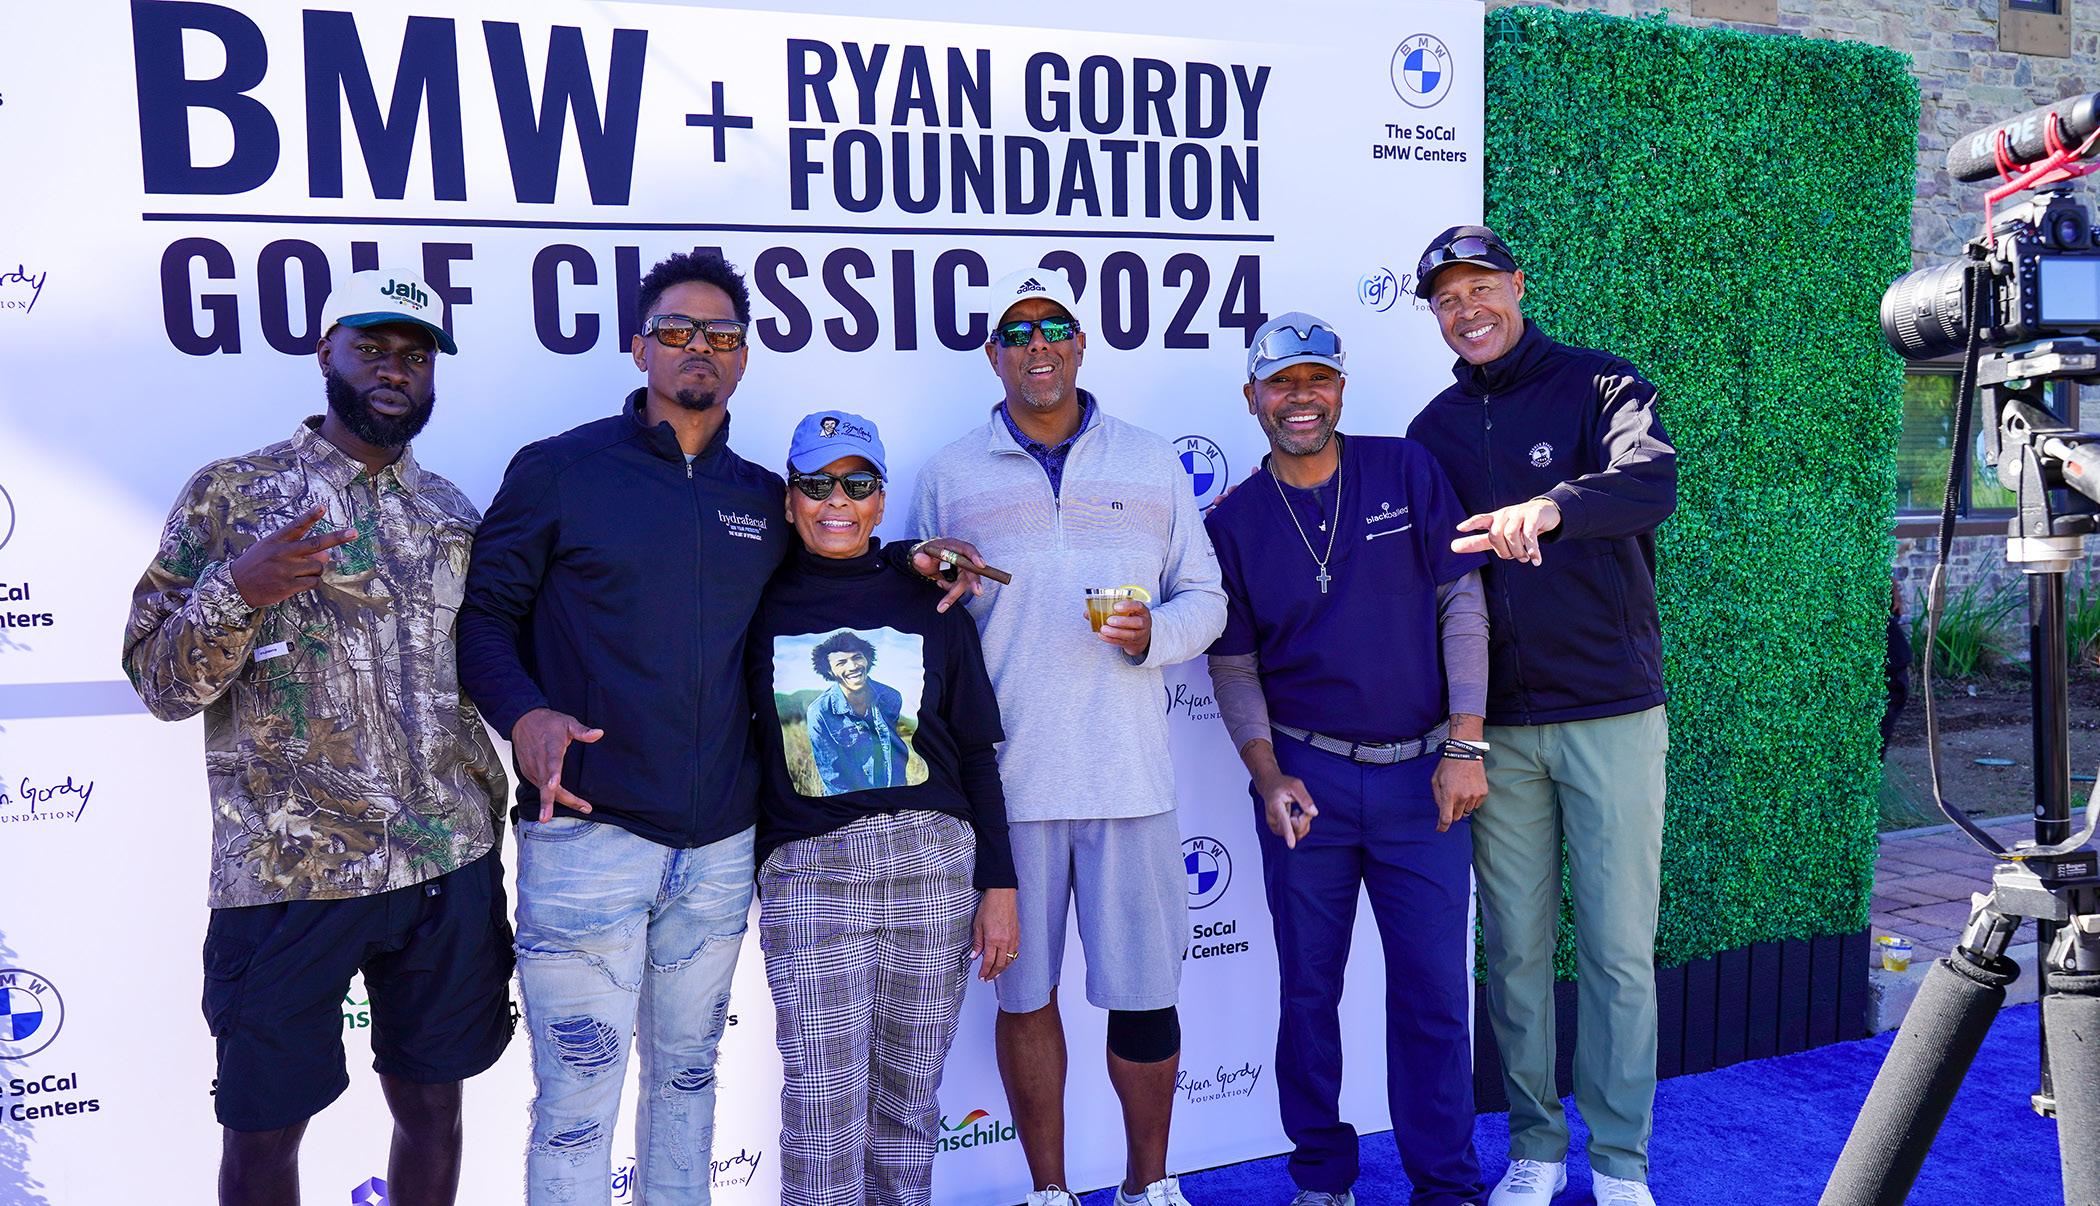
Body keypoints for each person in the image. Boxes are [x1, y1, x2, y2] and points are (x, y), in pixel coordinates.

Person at [458, 251, 982, 1205]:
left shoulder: (756, 496)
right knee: (576, 1103)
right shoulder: (560, 471)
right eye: (677, 330)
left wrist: (913, 556)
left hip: (718, 849)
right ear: (639, 347)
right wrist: (523, 714)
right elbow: (484, 616)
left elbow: (836, 556)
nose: (698, 346)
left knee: (689, 1082)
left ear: (742, 357)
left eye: (721, 334)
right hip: (589, 837)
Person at [123, 269, 511, 1206]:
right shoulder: (233, 495)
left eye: (415, 356)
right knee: (264, 1131)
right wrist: (239, 590)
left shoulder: (452, 513)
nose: (394, 371)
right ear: (325, 353)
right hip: (289, 874)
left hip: (446, 859)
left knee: (435, 1108)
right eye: (371, 349)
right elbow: (159, 683)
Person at [911, 266, 1228, 1206]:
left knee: (1146, 998)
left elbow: (1206, 597)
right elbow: (926, 613)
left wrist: (1154, 634)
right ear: (993, 356)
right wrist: (931, 577)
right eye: (1017, 332)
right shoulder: (950, 473)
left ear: (1082, 344)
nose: (1037, 345)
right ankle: (1049, 1192)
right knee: (1025, 997)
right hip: (1009, 787)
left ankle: (1147, 1186)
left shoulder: (1150, 460)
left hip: (1131, 780)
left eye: (1054, 327)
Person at [1404, 226, 1678, 1206]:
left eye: (1481, 287)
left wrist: (1550, 507)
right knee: (1515, 952)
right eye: (1447, 299)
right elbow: (1428, 580)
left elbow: (1651, 484)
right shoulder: (1432, 430)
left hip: (1612, 714)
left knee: (1616, 951)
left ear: (1518, 286)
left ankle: (1620, 1161)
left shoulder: (1602, 384)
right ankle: (1536, 1147)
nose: (1467, 309)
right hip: (1500, 734)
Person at [1204, 313, 1489, 1206]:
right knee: (1307, 994)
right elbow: (1234, 666)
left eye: (1317, 379)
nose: (1301, 398)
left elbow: (1462, 604)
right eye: (1281, 383)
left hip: (1424, 779)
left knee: (1434, 996)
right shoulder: (1234, 520)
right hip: (1309, 782)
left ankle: (1445, 1186)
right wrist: (1267, 776)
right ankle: (1323, 1178)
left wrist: (1465, 742)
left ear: (1340, 388)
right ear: (1252, 397)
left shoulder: (1405, 469)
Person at [746, 410, 1021, 1206]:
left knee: (908, 1103)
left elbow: (975, 752)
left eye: (858, 483)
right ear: (790, 499)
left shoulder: (931, 599)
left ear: (880, 499)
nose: (838, 500)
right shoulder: (753, 600)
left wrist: (999, 884)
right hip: (812, 874)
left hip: (933, 866)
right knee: (821, 1109)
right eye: (817, 483)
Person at [804, 629, 914, 793]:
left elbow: (894, 748)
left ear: (867, 659)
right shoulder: (820, 712)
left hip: (893, 791)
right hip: (848, 799)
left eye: (857, 657)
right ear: (829, 671)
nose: (853, 666)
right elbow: (832, 775)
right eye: (841, 663)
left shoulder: (891, 697)